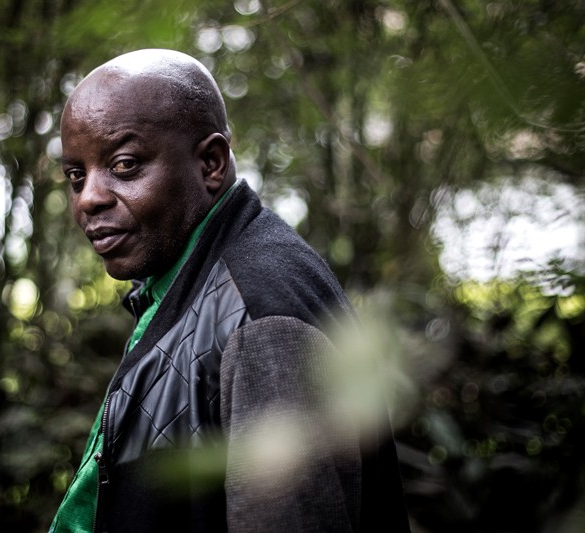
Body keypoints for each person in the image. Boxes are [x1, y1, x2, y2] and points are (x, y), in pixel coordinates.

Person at [50, 48, 410, 533]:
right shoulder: (187, 281)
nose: (90, 197)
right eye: (76, 175)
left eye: (125, 164)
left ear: (211, 164)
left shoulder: (260, 315)